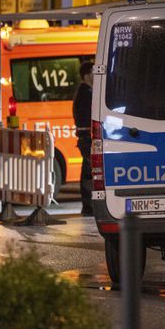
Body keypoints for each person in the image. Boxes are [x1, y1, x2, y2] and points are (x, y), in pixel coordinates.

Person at [72, 60, 94, 216]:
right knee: (89, 173)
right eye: (93, 73)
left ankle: (88, 206)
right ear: (87, 76)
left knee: (87, 171)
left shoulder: (83, 92)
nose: (96, 75)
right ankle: (88, 206)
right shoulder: (86, 93)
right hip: (87, 137)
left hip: (84, 137)